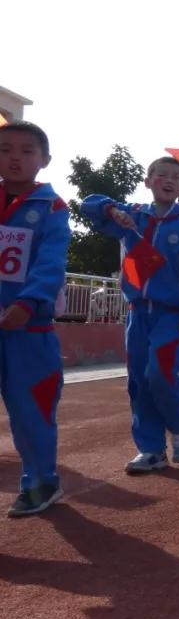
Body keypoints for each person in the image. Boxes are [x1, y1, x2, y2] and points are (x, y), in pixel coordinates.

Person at [83, 156, 179, 474]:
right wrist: (109, 209)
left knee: (161, 374)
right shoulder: (132, 215)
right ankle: (151, 449)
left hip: (171, 315)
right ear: (147, 181)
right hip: (137, 314)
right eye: (160, 175)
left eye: (175, 177)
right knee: (138, 381)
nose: (168, 180)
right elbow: (88, 205)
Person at [0, 121, 71, 516]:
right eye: (5, 149)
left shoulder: (51, 208)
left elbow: (50, 262)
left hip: (29, 330)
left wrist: (28, 302)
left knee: (31, 411)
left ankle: (41, 481)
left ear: (44, 160)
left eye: (26, 151)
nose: (14, 158)